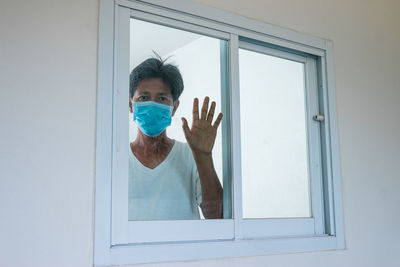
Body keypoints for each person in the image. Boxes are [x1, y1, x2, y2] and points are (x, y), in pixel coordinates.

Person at [128, 56, 223, 220]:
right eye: (143, 97)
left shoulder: (190, 155)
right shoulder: (116, 159)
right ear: (131, 105)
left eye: (162, 98)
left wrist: (204, 156)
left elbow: (219, 217)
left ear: (174, 107)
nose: (152, 105)